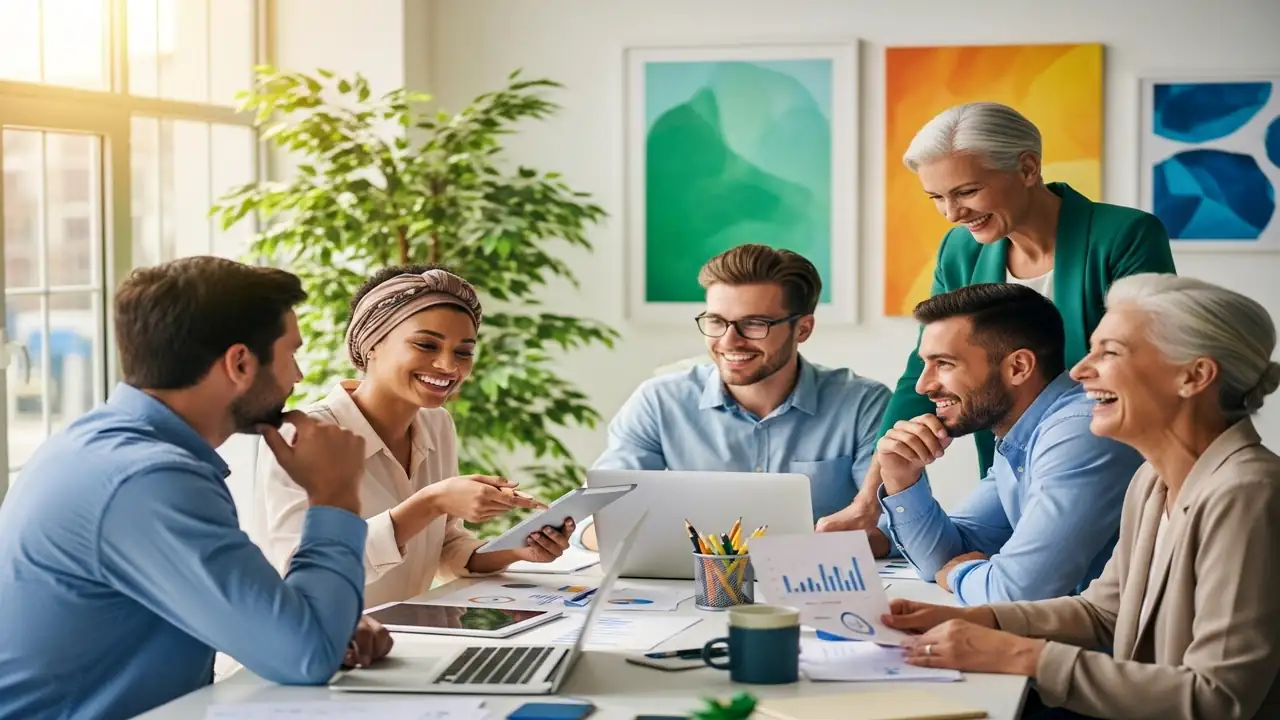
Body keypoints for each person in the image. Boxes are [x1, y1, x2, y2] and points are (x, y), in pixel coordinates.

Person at [0, 257, 392, 720]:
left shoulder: (109, 447)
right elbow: (304, 657)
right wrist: (335, 497)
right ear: (240, 363)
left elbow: (283, 634)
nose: (298, 377)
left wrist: (322, 620)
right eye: (291, 354)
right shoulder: (147, 480)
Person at [884, 274, 1280, 720]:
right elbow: (1103, 613)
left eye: (1109, 352)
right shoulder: (1152, 482)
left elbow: (1217, 698)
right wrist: (984, 621)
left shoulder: (1247, 493)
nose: (1079, 371)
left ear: (1194, 376)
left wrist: (1020, 655)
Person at [818, 101, 1176, 534]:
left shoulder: (1125, 235)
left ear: (1027, 168)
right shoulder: (961, 250)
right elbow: (926, 368)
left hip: (1107, 470)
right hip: (1008, 474)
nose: (952, 213)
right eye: (936, 197)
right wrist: (869, 503)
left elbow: (1137, 365)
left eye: (967, 192)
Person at [257, 265, 572, 610]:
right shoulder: (301, 437)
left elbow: (444, 545)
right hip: (328, 647)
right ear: (371, 343)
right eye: (426, 345)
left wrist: (516, 550)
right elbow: (301, 573)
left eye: (463, 352)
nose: (449, 366)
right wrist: (430, 503)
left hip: (410, 643)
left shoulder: (437, 425)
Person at [573, 243, 894, 556]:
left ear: (803, 329)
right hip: (692, 592)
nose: (728, 341)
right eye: (716, 321)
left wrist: (797, 550)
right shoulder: (659, 402)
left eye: (754, 323)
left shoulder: (863, 405)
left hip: (819, 590)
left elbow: (899, 529)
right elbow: (594, 518)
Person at [876, 283, 1144, 605]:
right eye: (925, 364)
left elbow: (1016, 590)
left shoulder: (1080, 431)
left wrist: (958, 574)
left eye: (944, 364)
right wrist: (901, 480)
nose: (923, 386)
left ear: (1018, 367)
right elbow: (944, 557)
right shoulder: (1019, 434)